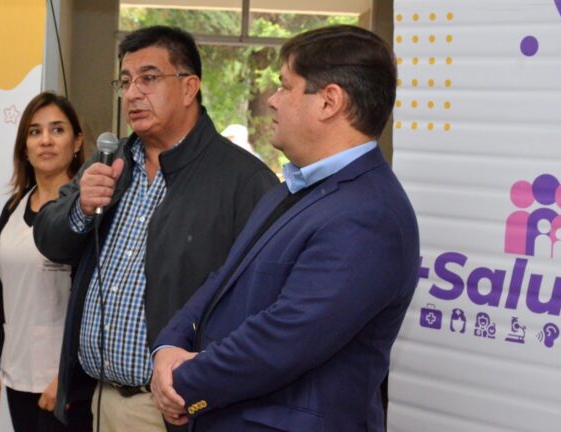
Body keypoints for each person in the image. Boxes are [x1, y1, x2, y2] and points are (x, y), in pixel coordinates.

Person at [151, 25, 420, 431]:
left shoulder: (369, 215)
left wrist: (182, 383)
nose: (272, 100)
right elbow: (221, 280)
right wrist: (169, 345)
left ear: (329, 101)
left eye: (285, 86)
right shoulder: (290, 190)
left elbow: (282, 340)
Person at [33, 26, 278, 432]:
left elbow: (261, 305)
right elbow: (48, 237)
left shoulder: (244, 180)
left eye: (148, 78)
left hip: (177, 410)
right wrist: (81, 207)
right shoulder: (110, 161)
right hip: (97, 398)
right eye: (125, 81)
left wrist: (204, 384)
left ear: (189, 87)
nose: (132, 94)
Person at [0, 92, 92, 432]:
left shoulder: (86, 213)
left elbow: (93, 305)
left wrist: (68, 378)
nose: (45, 140)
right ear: (24, 148)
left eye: (57, 130)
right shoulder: (13, 208)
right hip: (18, 374)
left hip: (65, 385)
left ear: (77, 142)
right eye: (34, 132)